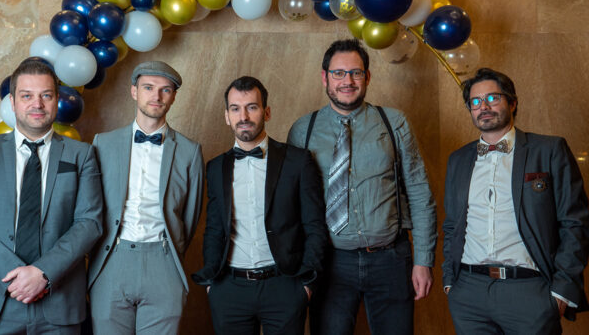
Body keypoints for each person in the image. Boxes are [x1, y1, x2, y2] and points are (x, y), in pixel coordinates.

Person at [287, 39, 438, 335]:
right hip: (329, 263)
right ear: (324, 77)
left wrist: (423, 260)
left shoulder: (394, 123)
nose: (347, 81)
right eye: (339, 73)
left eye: (355, 73)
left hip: (391, 260)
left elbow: (420, 193)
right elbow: (291, 204)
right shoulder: (303, 130)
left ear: (367, 77)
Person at [0, 60, 103, 333]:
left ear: (57, 100)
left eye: (46, 95)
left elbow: (89, 223)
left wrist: (43, 273)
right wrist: (16, 275)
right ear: (13, 101)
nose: (37, 104)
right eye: (26, 95)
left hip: (58, 300)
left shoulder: (82, 155)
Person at [442, 67, 589, 334]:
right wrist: (450, 282)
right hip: (469, 293)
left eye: (493, 98)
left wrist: (561, 293)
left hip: (530, 292)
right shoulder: (459, 160)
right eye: (475, 102)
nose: (483, 106)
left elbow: (575, 222)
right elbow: (452, 225)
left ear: (512, 102)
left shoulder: (548, 149)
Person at [192, 76, 328, 335]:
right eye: (235, 108)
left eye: (251, 107)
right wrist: (212, 284)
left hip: (285, 286)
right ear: (227, 116)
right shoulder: (216, 167)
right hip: (229, 289)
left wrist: (306, 285)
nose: (243, 116)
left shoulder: (298, 162)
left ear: (266, 112)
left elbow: (315, 225)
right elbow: (213, 229)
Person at [87, 61, 204, 334]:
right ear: (134, 92)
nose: (157, 96)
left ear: (174, 96)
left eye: (165, 90)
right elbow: (91, 207)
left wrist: (169, 256)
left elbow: (191, 215)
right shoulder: (102, 143)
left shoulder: (189, 151)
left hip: (163, 260)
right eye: (148, 88)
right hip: (111, 259)